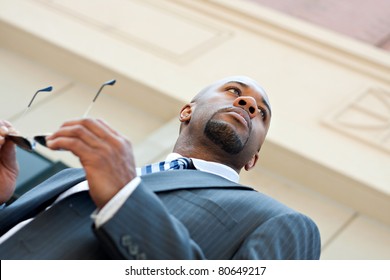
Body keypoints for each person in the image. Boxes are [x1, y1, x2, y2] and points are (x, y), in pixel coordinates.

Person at [0, 76, 321, 259]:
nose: (248, 104)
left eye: (261, 113)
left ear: (253, 159)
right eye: (234, 92)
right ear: (186, 111)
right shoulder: (74, 177)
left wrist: (124, 198)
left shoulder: (282, 223)